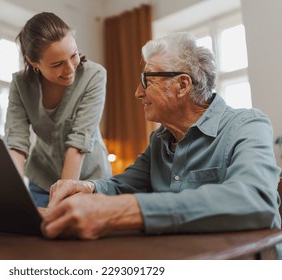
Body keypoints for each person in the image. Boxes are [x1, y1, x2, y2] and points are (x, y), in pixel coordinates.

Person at [41, 32, 282, 252]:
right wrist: (89, 188)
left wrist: (123, 211)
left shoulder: (247, 125)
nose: (137, 92)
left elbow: (256, 200)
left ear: (182, 85)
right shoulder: (159, 139)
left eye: (146, 80)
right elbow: (123, 185)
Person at [4, 12, 111, 208]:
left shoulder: (94, 76)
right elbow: (16, 143)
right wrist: (13, 195)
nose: (70, 68)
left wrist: (60, 202)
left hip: (90, 182)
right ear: (33, 62)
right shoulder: (20, 84)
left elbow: (79, 142)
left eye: (74, 55)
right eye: (57, 64)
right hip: (43, 181)